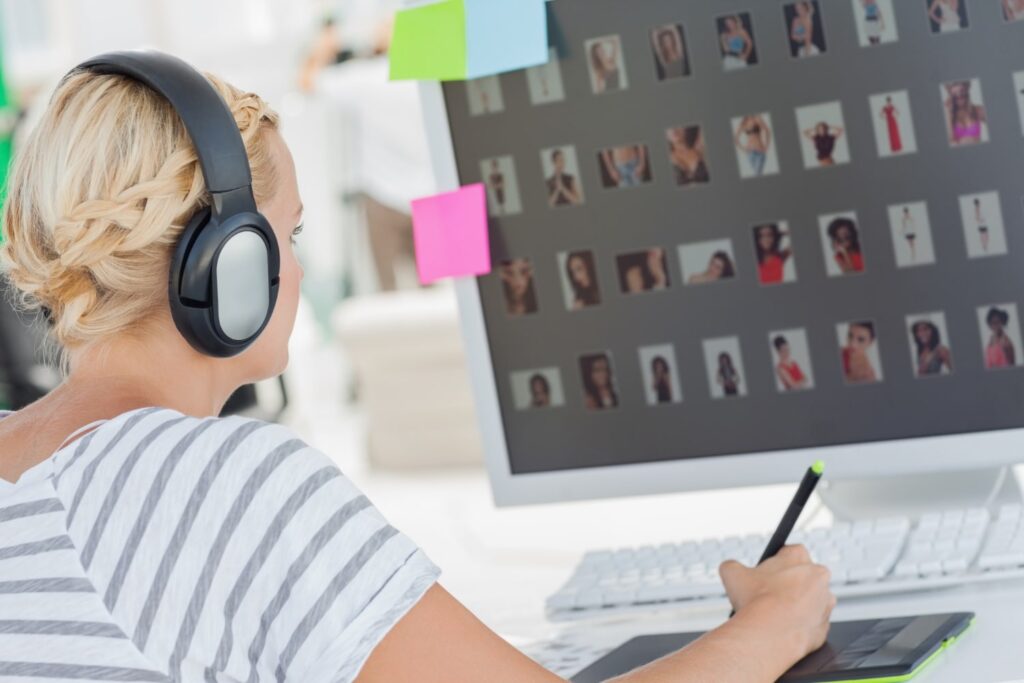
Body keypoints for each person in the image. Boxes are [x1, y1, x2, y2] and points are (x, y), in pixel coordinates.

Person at [0, 53, 836, 683]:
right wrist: (772, 621)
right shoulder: (214, 483)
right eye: (286, 238)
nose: (294, 264)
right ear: (228, 265)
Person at [944, 81, 987, 146]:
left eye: (961, 91)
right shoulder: (949, 115)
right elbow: (950, 141)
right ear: (950, 94)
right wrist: (948, 112)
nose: (959, 94)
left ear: (967, 89)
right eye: (955, 94)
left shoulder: (978, 110)